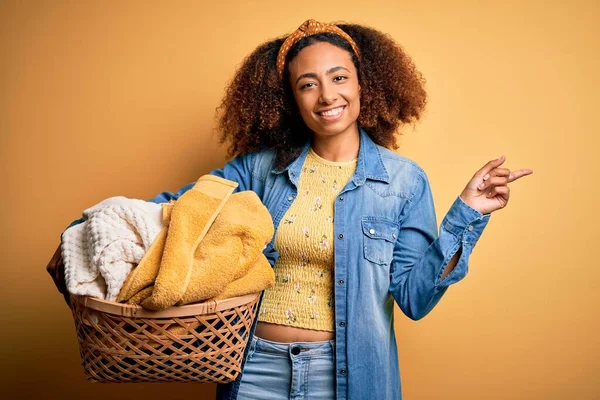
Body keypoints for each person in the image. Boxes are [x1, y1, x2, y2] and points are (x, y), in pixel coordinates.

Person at [47, 19, 533, 400]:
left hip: (348, 378)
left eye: (339, 77)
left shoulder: (405, 181)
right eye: (308, 84)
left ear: (365, 85)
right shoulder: (256, 172)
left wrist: (467, 213)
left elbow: (415, 298)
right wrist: (89, 234)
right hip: (252, 369)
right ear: (291, 99)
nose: (327, 96)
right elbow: (174, 214)